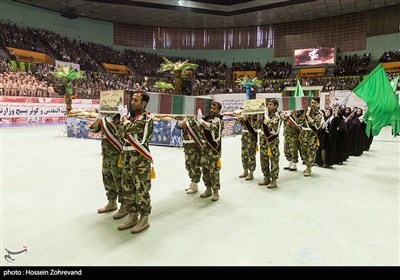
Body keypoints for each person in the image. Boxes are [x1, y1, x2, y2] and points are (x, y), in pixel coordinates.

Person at [117, 90, 154, 234]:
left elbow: (131, 129)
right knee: (128, 189)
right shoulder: (131, 118)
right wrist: (123, 119)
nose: (132, 102)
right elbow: (121, 133)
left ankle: (144, 219)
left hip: (140, 160)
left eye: (136, 100)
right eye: (132, 99)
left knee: (142, 190)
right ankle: (132, 217)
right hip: (126, 158)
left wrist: (124, 117)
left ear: (144, 103)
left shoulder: (146, 119)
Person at [89, 113, 126, 220]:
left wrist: (111, 120)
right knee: (107, 178)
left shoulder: (122, 116)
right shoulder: (104, 118)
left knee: (119, 180)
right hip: (106, 154)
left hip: (118, 154)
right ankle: (112, 202)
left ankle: (124, 206)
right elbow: (93, 129)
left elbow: (122, 133)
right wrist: (100, 117)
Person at [197, 102, 224, 201]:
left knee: (214, 172)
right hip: (205, 149)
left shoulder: (219, 120)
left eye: (214, 108)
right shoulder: (207, 119)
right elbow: (200, 129)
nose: (212, 110)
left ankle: (215, 191)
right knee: (205, 170)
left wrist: (201, 121)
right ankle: (208, 189)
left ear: (219, 110)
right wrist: (200, 122)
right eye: (211, 108)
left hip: (214, 150)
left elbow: (212, 127)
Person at [259, 98, 282, 188]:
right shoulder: (264, 115)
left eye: (271, 104)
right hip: (263, 140)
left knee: (274, 160)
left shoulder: (278, 115)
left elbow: (274, 125)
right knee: (263, 159)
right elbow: (259, 125)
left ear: (276, 106)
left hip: (272, 141)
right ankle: (266, 177)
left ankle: (274, 180)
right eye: (268, 104)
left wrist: (266, 119)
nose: (268, 106)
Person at [177, 116, 203, 194]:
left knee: (194, 165)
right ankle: (192, 181)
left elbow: (197, 128)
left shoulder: (197, 119)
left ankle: (195, 184)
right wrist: (182, 123)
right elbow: (178, 127)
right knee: (188, 165)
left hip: (194, 145)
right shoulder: (185, 118)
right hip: (186, 145)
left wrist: (189, 121)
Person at [298, 97, 323, 176]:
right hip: (303, 134)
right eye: (312, 102)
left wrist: (308, 115)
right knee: (303, 151)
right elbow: (300, 120)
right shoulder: (306, 111)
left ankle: (309, 167)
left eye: (314, 103)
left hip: (311, 135)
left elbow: (313, 123)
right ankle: (306, 165)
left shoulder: (319, 114)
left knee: (311, 152)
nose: (312, 104)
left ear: (318, 104)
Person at [235, 112, 259, 180]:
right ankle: (245, 170)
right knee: (244, 154)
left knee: (251, 154)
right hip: (244, 136)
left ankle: (251, 173)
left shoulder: (257, 114)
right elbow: (237, 122)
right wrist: (240, 117)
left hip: (252, 136)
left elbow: (257, 124)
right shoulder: (243, 113)